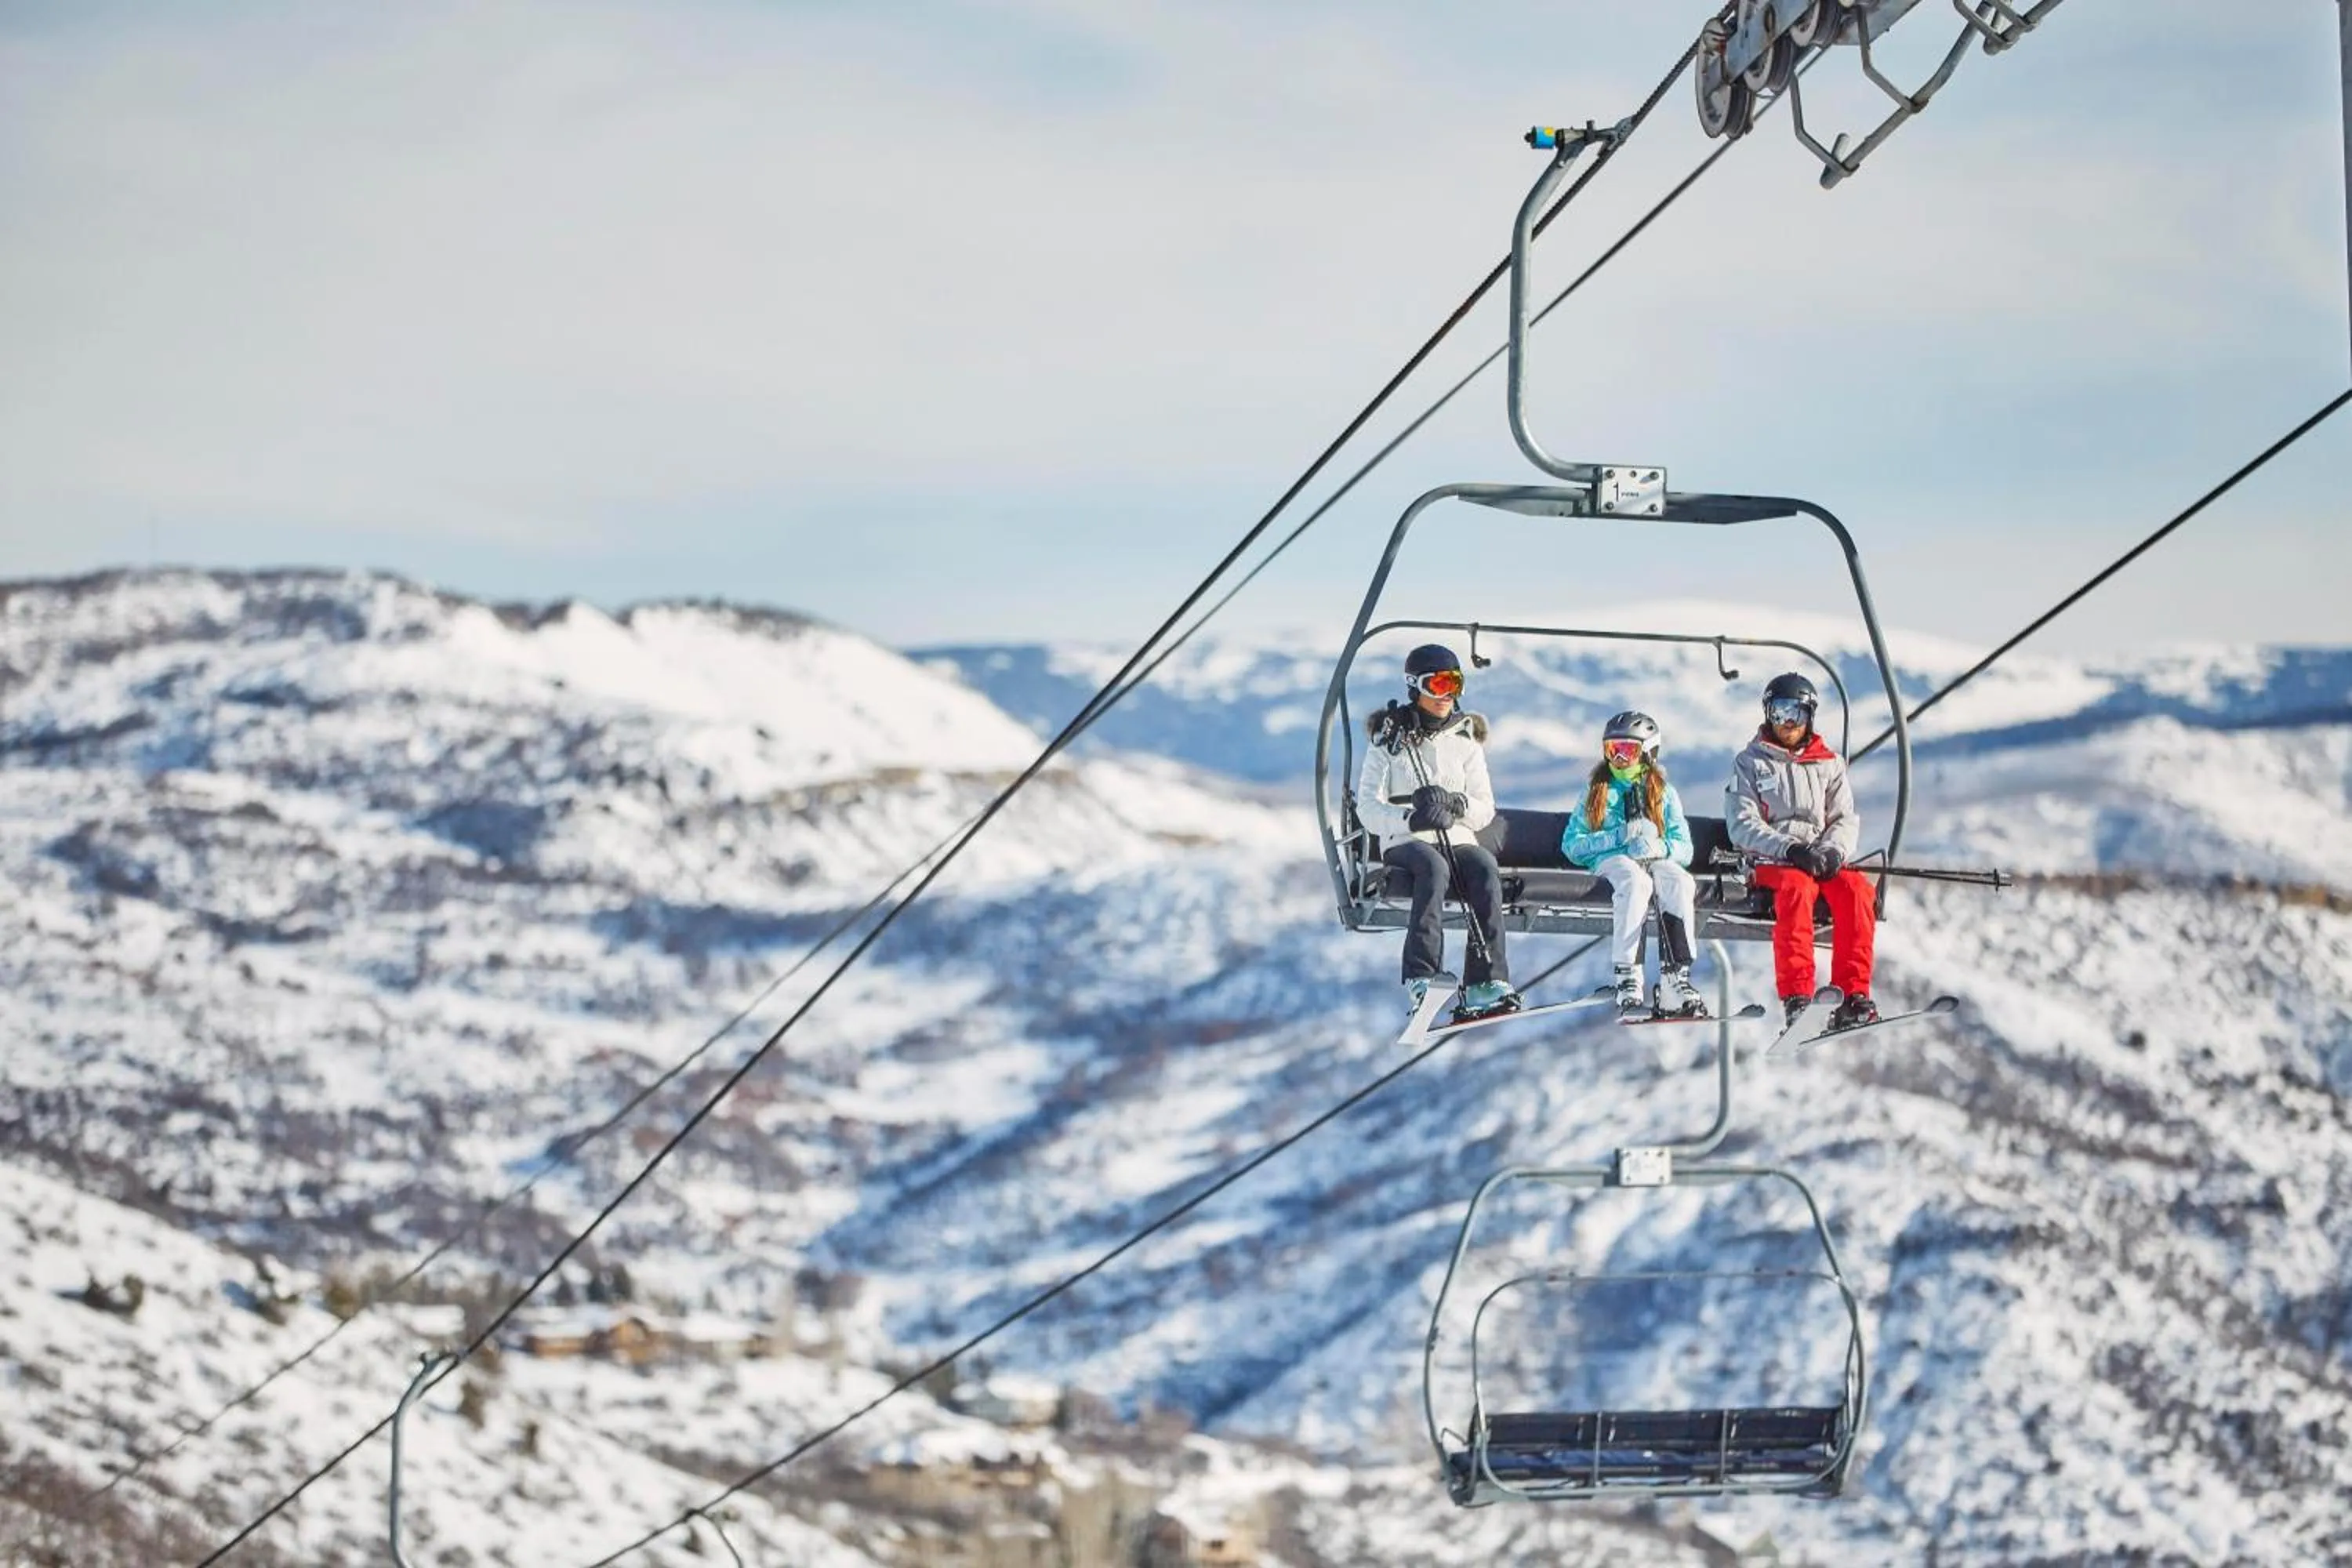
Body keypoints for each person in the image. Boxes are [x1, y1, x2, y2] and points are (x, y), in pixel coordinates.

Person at [1357, 644, 1517, 1020]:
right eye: (1438, 685)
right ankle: (1422, 976)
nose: (1447, 695)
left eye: (1454, 685)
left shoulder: (1466, 741)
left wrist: (1458, 806)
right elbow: (1368, 807)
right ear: (1416, 687)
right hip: (1406, 841)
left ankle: (1486, 981)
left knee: (1482, 867)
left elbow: (1484, 807)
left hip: (1456, 836)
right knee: (1433, 868)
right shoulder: (1388, 742)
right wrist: (1410, 820)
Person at [1726, 672, 1879, 1031]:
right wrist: (1789, 849)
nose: (1787, 723)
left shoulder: (1829, 763)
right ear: (1767, 714)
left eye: (1794, 713)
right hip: (1771, 861)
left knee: (1858, 891)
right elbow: (1741, 824)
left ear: (1809, 715)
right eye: (1778, 713)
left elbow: (1844, 819)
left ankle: (1853, 995)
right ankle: (1798, 997)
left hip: (1818, 858)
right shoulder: (1750, 763)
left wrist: (1832, 852)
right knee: (1797, 890)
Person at [1560, 711, 1707, 1019]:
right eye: (1613, 750)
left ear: (1649, 752)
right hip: (1612, 861)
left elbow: (1685, 849)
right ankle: (1629, 976)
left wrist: (1661, 847)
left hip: (1653, 858)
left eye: (1629, 750)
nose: (1620, 759)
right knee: (1635, 882)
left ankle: (1675, 977)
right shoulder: (1596, 792)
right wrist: (1617, 838)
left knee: (1679, 881)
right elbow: (1572, 845)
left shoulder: (1664, 793)